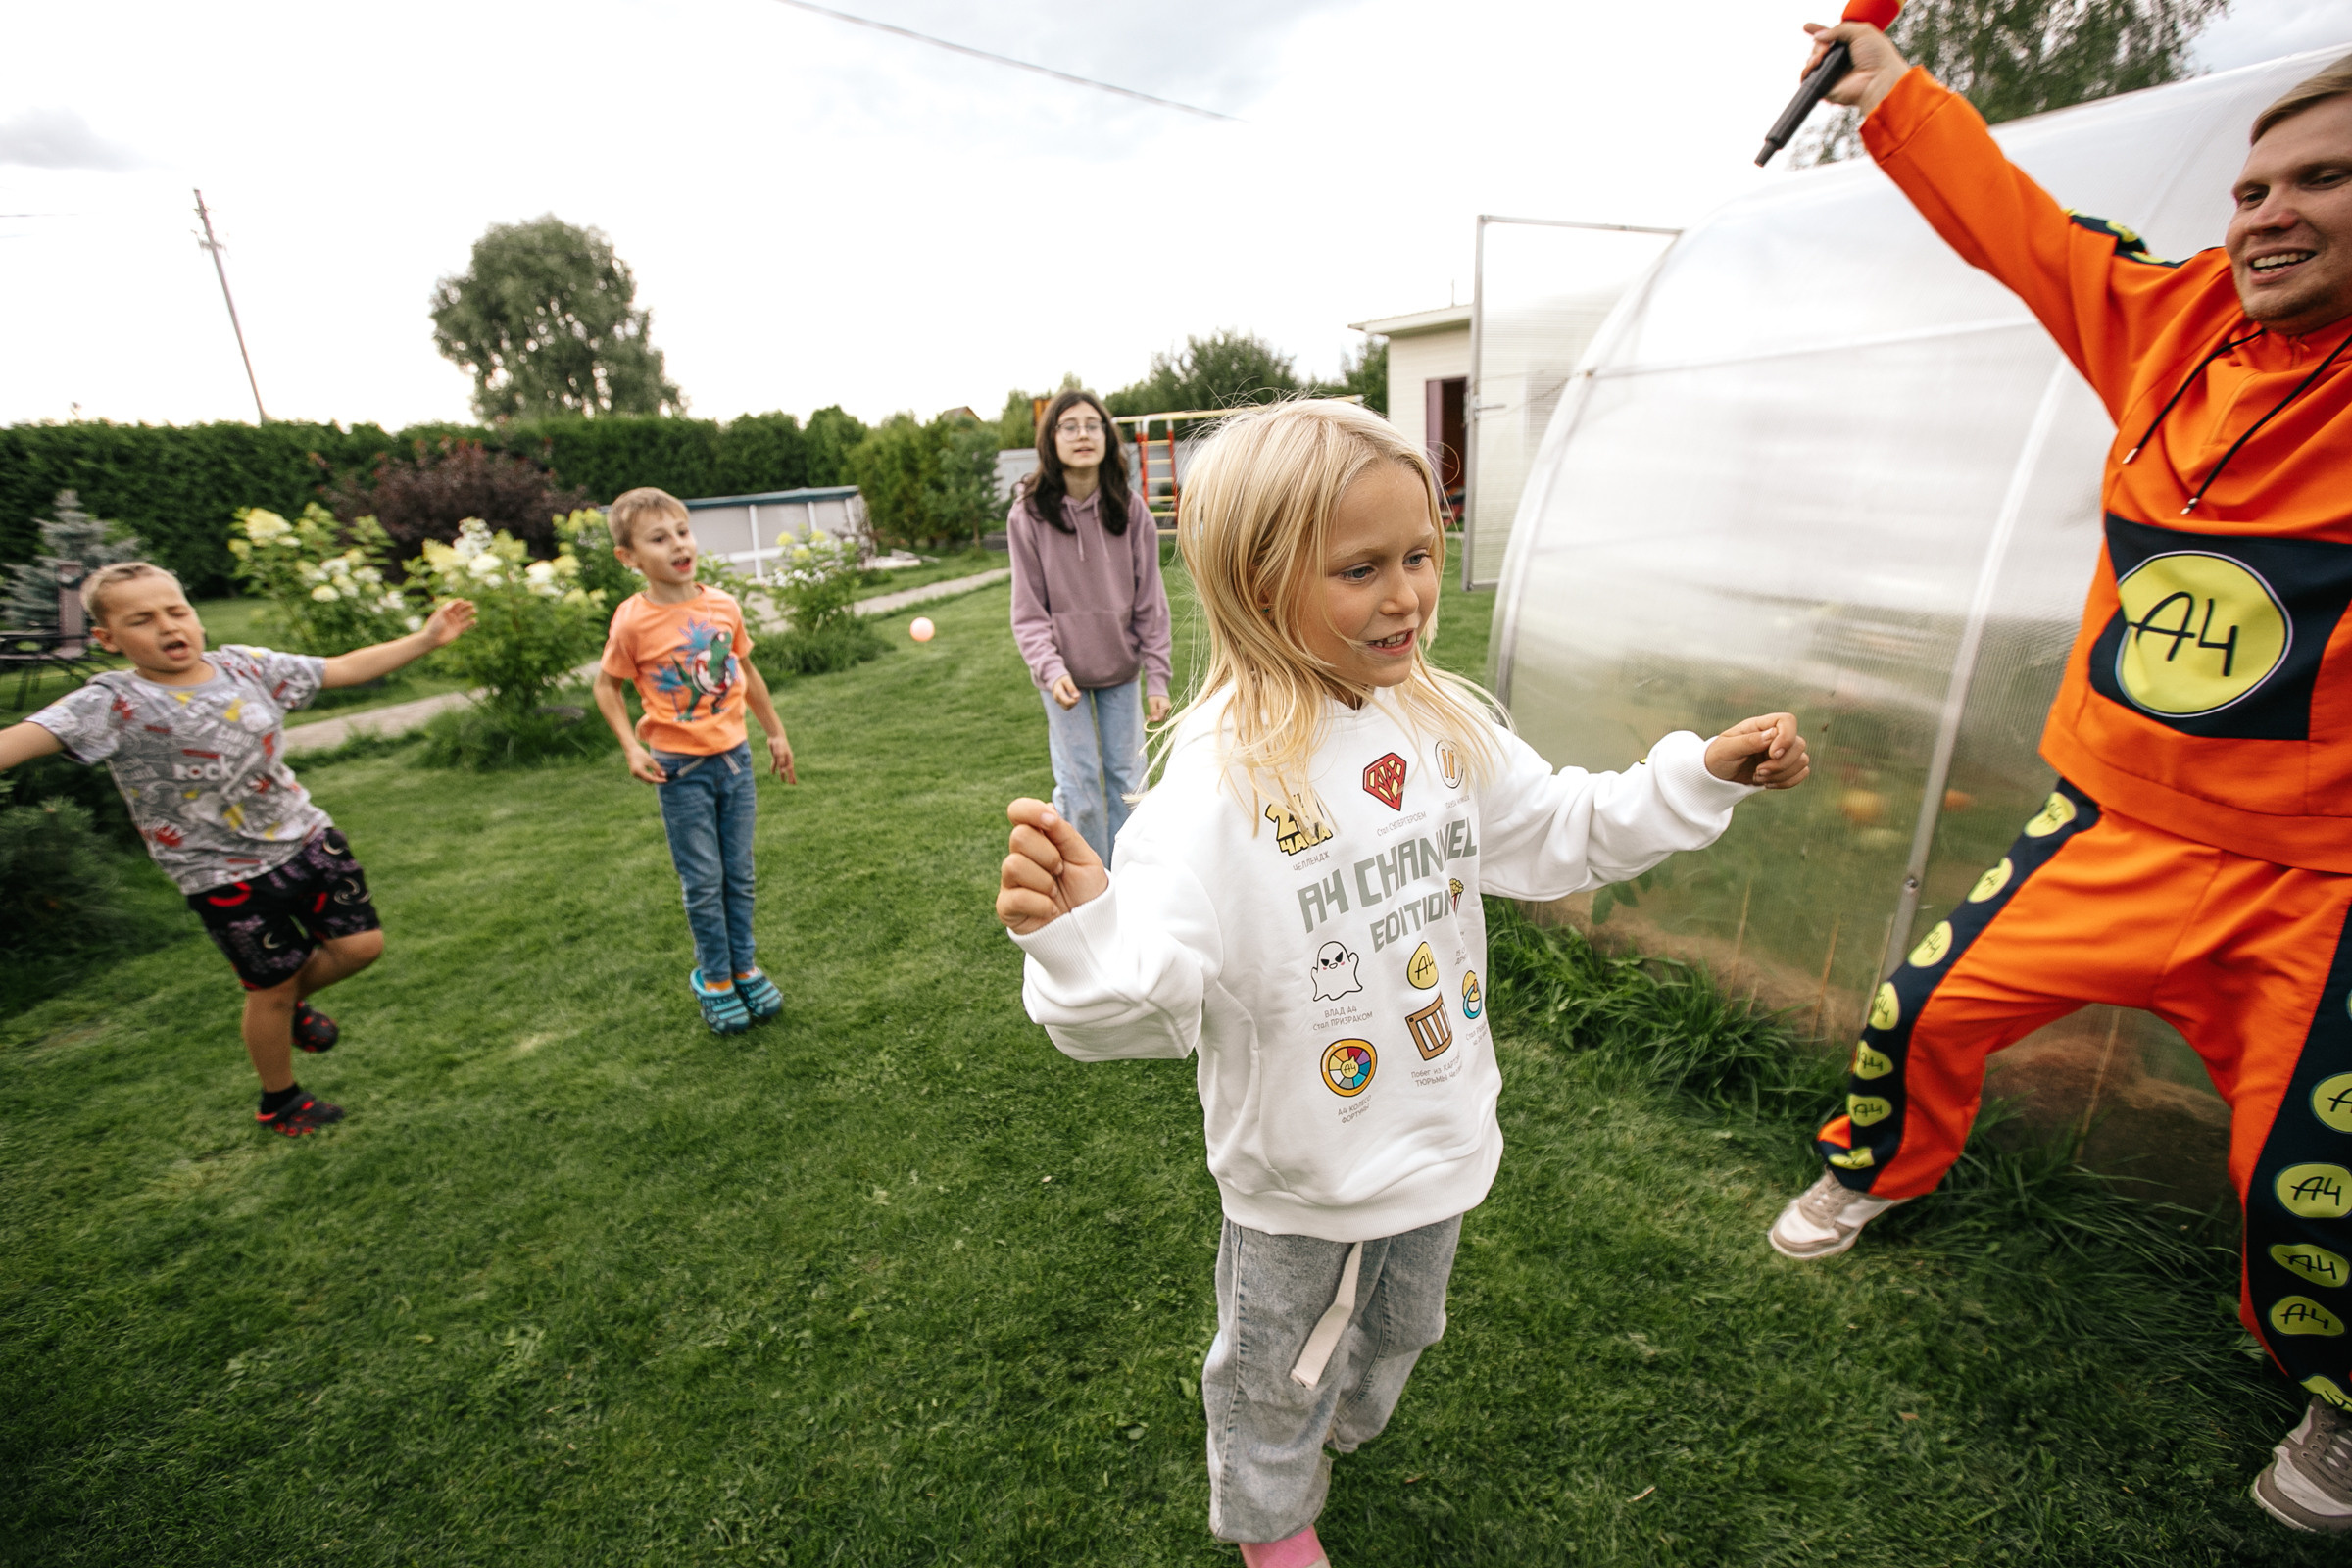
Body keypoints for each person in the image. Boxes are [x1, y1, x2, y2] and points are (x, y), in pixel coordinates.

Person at [994, 399, 1809, 1567]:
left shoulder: (1438, 724)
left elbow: (1558, 828)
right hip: (1301, 1179)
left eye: (1420, 554)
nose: (1408, 595)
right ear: (1257, 583)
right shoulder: (1209, 796)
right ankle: (1274, 1520)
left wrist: (1697, 778)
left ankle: (1343, 1423)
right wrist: (1082, 939)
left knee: (1400, 1325)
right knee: (1275, 1374)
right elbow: (1152, 1002)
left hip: (1440, 1129)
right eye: (1361, 568)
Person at [1764, 25, 2352, 1536]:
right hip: (2113, 823)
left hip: (2323, 882)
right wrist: (1888, 90)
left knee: (2315, 1178)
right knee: (1924, 1009)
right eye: (2253, 185)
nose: (2268, 212)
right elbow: (2017, 223)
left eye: (2326, 180)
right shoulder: (2174, 325)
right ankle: (1882, 1174)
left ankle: (2340, 1401)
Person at [0, 562, 474, 1136]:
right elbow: (16, 742)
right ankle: (281, 1097)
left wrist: (426, 639)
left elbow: (342, 668)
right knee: (267, 989)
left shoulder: (247, 667)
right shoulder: (110, 702)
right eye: (142, 620)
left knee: (361, 946)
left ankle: (286, 1004)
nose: (168, 627)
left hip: (305, 837)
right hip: (220, 874)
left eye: (176, 611)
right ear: (107, 639)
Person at [591, 487, 797, 1036]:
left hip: (735, 760)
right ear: (629, 558)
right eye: (659, 538)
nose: (678, 545)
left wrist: (775, 734)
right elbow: (607, 687)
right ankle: (716, 980)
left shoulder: (723, 606)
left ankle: (745, 966)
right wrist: (631, 747)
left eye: (682, 531)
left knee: (739, 874)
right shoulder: (633, 621)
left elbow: (746, 674)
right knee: (703, 880)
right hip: (678, 769)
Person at [1006, 388, 1172, 867]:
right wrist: (1049, 668)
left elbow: (1151, 605)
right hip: (1062, 677)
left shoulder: (1132, 511)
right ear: (1051, 441)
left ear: (1107, 437)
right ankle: (1090, 884)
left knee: (1128, 782)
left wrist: (1157, 677)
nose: (1083, 434)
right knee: (1078, 786)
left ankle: (1132, 880)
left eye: (1093, 425)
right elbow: (1028, 610)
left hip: (1121, 668)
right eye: (1069, 426)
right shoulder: (1029, 515)